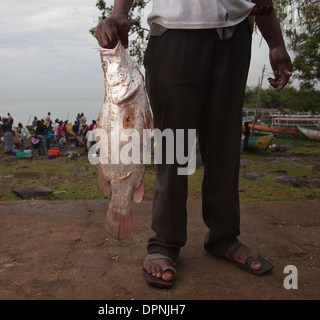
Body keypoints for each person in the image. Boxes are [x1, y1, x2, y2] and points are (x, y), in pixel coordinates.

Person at [94, 0, 292, 288]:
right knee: (174, 148)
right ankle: (165, 242)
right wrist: (119, 12)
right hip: (174, 34)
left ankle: (224, 238)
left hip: (235, 36)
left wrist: (275, 41)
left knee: (225, 145)